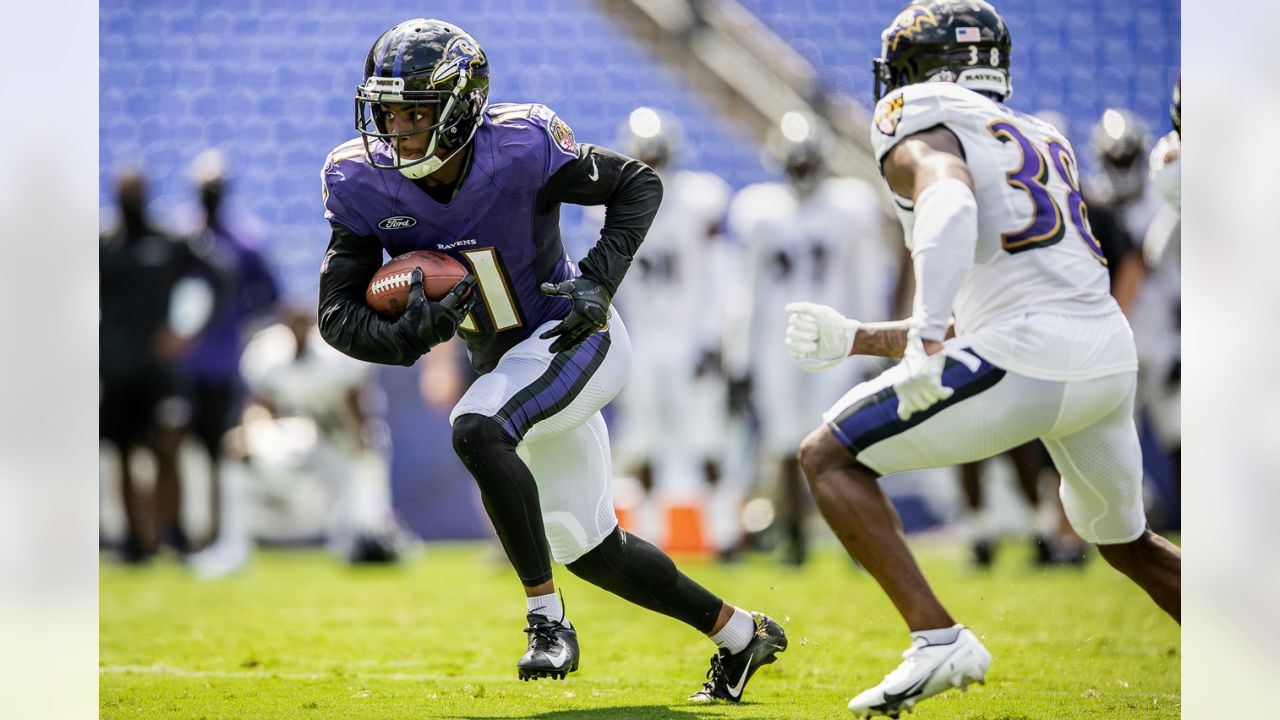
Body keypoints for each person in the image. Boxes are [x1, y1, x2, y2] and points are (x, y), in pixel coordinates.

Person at [315, 19, 785, 701]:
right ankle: (742, 635)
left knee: (477, 426)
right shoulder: (360, 181)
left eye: (415, 112)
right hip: (506, 363)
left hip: (575, 339)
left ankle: (545, 620)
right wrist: (408, 336)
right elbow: (337, 315)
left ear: (461, 107)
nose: (397, 132)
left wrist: (597, 280)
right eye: (387, 113)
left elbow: (637, 186)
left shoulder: (521, 144)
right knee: (589, 546)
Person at [782, 2, 1181, 716]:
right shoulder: (1036, 133)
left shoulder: (918, 114)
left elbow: (950, 205)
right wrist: (860, 337)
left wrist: (927, 331)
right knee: (1129, 545)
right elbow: (1006, 292)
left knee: (827, 457)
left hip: (1028, 354)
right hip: (1103, 357)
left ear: (927, 69)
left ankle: (937, 637)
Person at [730, 112, 894, 565]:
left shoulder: (849, 206)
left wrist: (871, 344)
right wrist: (740, 357)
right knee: (784, 441)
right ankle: (795, 534)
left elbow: (866, 278)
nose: (801, 171)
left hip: (835, 340)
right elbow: (747, 289)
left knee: (843, 437)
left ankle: (862, 536)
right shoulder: (759, 209)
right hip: (776, 341)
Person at [607, 107, 741, 557]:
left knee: (707, 437)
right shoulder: (616, 206)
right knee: (642, 439)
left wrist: (716, 336)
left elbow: (721, 274)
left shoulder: (700, 199)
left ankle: (725, 536)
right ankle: (648, 537)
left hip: (688, 335)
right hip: (643, 338)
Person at [187, 309, 404, 578]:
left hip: (336, 441)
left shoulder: (336, 351)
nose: (297, 324)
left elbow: (355, 403)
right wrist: (252, 432)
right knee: (236, 456)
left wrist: (361, 443)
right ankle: (232, 548)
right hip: (294, 436)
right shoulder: (268, 349)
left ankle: (367, 536)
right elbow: (260, 404)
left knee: (367, 472)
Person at [100, 171, 222, 562]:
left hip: (160, 370)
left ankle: (173, 534)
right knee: (122, 453)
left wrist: (191, 329)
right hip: (116, 369)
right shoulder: (103, 244)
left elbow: (221, 275)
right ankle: (138, 542)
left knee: (167, 448)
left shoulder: (168, 240)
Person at [182, 150, 281, 549]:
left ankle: (221, 532)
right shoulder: (180, 238)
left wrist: (240, 316)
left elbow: (270, 294)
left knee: (223, 447)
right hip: (184, 363)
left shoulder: (244, 241)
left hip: (225, 360)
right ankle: (184, 533)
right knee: (181, 448)